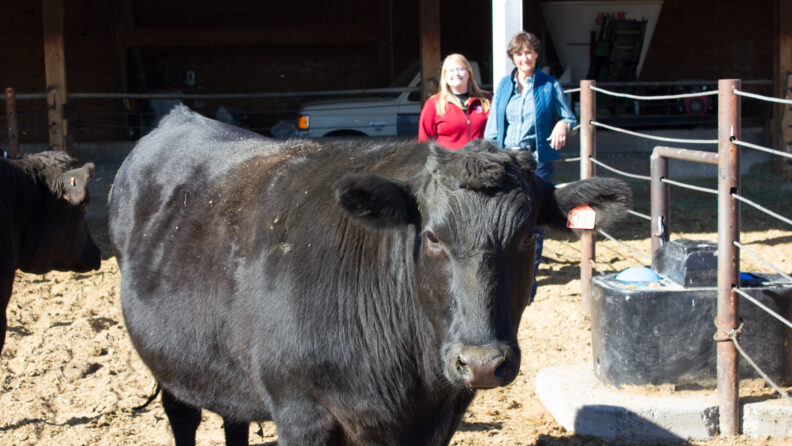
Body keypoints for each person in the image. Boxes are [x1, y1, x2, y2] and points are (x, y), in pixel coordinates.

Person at [484, 31, 579, 302]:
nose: (524, 57)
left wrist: (561, 124)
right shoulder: (504, 86)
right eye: (518, 53)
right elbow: (493, 127)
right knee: (502, 219)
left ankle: (528, 283)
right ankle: (501, 277)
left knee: (532, 222)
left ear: (536, 54)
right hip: (506, 161)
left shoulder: (549, 85)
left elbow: (568, 118)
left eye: (529, 52)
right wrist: (487, 154)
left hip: (537, 163)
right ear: (513, 58)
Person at [418, 53, 491, 150]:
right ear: (445, 76)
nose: (456, 74)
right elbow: (424, 142)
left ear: (469, 73)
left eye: (461, 69)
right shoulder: (433, 103)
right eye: (451, 70)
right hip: (448, 162)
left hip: (479, 160)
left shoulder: (486, 99)